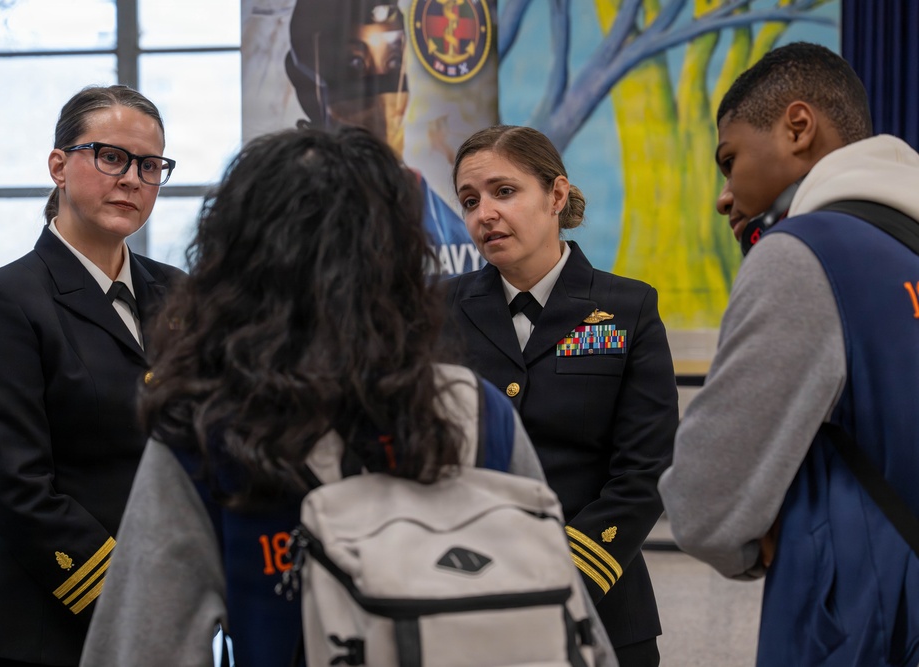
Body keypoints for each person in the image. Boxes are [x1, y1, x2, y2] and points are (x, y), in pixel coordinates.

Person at [79, 126, 618, 667]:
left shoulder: (206, 426)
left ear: (237, 265)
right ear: (398, 258)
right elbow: (569, 624)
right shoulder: (471, 409)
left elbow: (141, 647)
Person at [658, 42, 919, 666]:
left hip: (864, 628)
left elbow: (703, 506)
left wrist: (766, 532)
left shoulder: (807, 252)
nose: (725, 197)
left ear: (797, 127)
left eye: (730, 160)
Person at [0, 84, 182, 667]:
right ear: (58, 165)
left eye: (149, 165)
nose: (131, 178)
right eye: (111, 156)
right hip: (50, 628)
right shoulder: (5, 300)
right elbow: (16, 485)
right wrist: (127, 593)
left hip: (174, 614)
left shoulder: (181, 294)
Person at [443, 124, 678, 667]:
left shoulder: (627, 307)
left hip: (601, 598)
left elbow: (647, 469)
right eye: (470, 200)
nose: (484, 214)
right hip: (464, 599)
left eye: (504, 192)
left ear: (556, 195)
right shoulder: (437, 311)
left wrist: (562, 574)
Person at [283, 0, 479, 273]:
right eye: (353, 65)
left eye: (394, 61)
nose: (384, 104)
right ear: (308, 85)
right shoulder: (287, 213)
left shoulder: (447, 227)